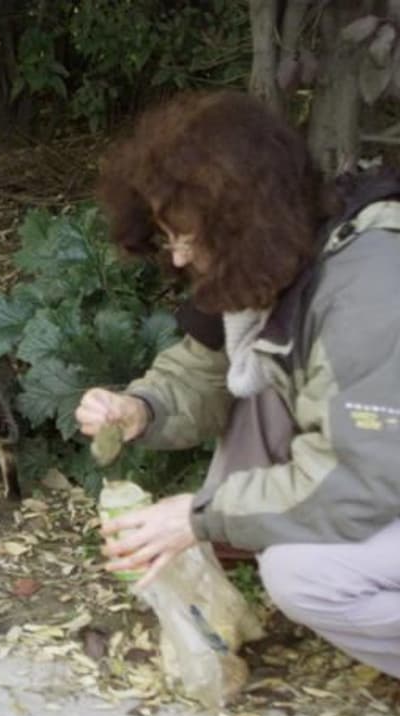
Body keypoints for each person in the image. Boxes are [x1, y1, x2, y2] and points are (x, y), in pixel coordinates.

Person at [75, 89, 400, 679]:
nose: (175, 259)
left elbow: (360, 479)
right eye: (167, 237)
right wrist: (141, 407)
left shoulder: (370, 287)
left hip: (378, 477)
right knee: (255, 396)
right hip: (382, 473)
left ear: (243, 218)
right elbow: (205, 369)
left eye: (186, 238)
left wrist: (200, 517)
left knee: (304, 577)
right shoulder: (279, 259)